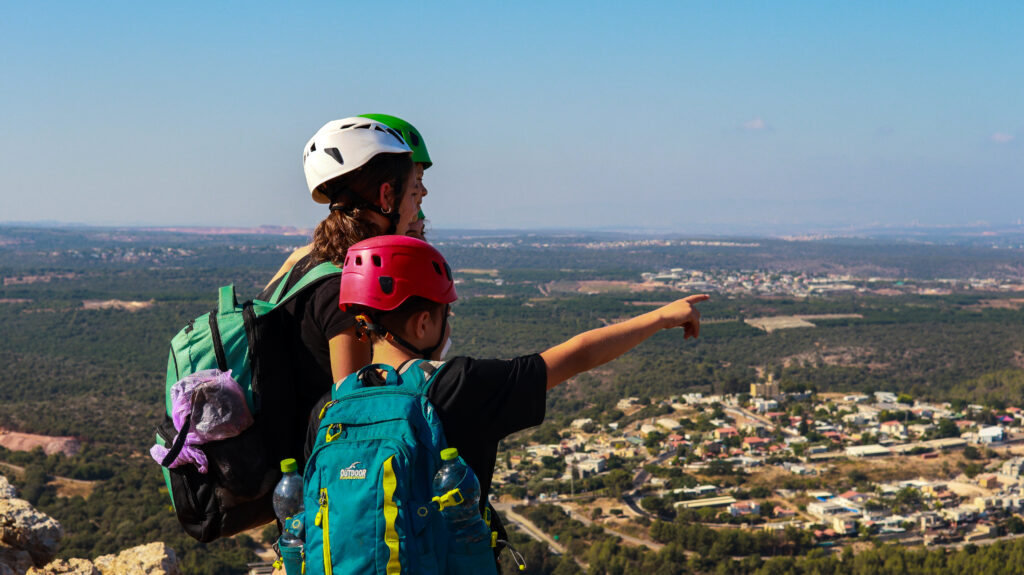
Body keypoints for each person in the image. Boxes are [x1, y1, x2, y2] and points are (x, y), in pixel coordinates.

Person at [304, 236, 708, 567]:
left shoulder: (330, 410)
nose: (448, 326)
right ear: (423, 323)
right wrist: (661, 317)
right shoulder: (460, 386)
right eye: (446, 314)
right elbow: (578, 355)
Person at [262, 117, 424, 469]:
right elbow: (352, 415)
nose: (416, 207)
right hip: (324, 494)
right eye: (412, 192)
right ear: (386, 196)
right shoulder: (345, 288)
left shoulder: (303, 264)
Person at [265, 114, 434, 288]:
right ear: (386, 192)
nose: (422, 191)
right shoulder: (348, 287)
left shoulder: (307, 265)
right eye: (416, 180)